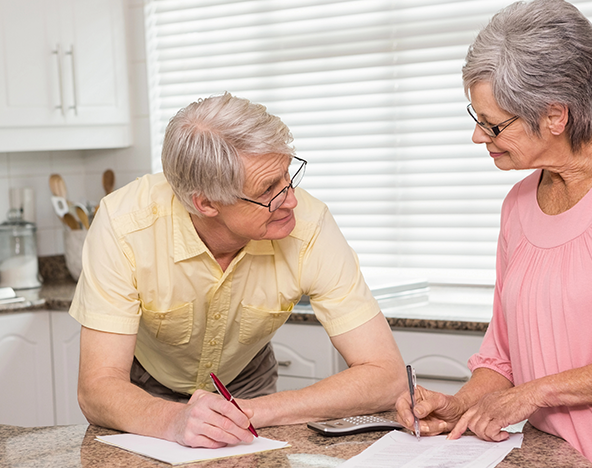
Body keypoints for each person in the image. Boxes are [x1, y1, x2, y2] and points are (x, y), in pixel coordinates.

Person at [395, 0, 592, 468]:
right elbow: (504, 356)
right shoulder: (518, 202)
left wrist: (534, 395)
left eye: (493, 125)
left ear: (555, 115)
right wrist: (461, 405)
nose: (478, 136)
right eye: (477, 118)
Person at [70, 92, 406, 449]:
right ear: (206, 203)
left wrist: (251, 411)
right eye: (268, 189)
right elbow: (97, 388)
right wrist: (172, 419)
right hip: (145, 391)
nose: (291, 200)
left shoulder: (310, 225)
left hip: (248, 385)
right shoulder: (124, 225)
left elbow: (387, 376)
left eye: (288, 175)